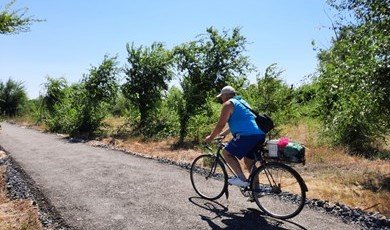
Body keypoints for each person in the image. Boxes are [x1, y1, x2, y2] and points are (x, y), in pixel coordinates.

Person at [205, 86, 265, 187]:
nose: (221, 99)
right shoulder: (242, 102)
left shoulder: (228, 104)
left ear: (225, 95)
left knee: (226, 153)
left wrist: (210, 137)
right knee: (248, 161)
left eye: (222, 96)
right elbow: (242, 122)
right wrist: (223, 134)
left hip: (247, 136)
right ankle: (256, 190)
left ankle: (242, 180)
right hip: (259, 134)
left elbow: (220, 124)